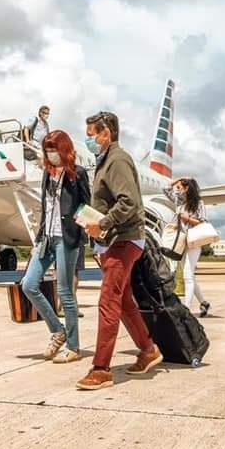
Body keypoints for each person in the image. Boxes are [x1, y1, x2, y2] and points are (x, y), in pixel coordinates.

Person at [76, 111, 161, 391]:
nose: (88, 140)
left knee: (108, 301)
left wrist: (102, 222)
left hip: (124, 239)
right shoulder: (105, 161)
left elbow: (129, 203)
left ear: (106, 133)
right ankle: (148, 350)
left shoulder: (117, 160)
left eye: (91, 135)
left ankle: (101, 369)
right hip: (114, 240)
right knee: (123, 301)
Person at [21, 130, 91, 364]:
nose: (50, 154)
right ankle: (57, 330)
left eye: (54, 149)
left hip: (67, 239)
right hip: (47, 238)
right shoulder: (47, 174)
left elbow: (85, 206)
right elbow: (45, 206)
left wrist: (79, 234)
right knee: (28, 285)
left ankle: (73, 347)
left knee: (65, 293)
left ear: (64, 150)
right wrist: (40, 237)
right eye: (47, 150)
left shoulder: (77, 174)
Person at [167, 177, 211, 317]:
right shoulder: (179, 202)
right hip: (181, 242)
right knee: (189, 275)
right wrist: (179, 179)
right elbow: (166, 188)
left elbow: (203, 222)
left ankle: (185, 309)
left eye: (180, 187)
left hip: (193, 241)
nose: (177, 189)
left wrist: (187, 219)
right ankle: (204, 302)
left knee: (187, 275)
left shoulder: (199, 204)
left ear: (187, 188)